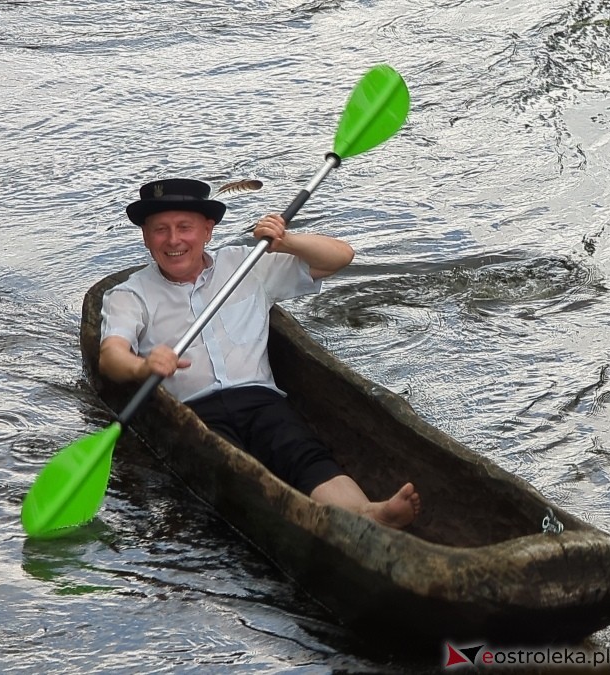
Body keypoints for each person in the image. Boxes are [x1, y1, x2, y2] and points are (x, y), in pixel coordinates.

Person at [99, 178, 420, 528]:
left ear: (208, 230)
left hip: (261, 399)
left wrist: (288, 240)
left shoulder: (246, 264)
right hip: (194, 411)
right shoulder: (129, 295)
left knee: (302, 451)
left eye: (185, 228)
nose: (174, 240)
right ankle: (292, 522)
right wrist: (142, 366)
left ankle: (367, 514)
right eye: (160, 230)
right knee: (233, 464)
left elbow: (340, 257)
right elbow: (111, 356)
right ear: (146, 237)